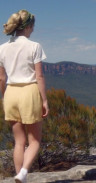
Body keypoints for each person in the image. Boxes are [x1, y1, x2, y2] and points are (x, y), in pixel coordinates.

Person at [0, 10, 49, 183]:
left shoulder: (2, 48)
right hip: (29, 91)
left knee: (18, 142)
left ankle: (19, 176)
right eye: (33, 26)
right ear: (28, 26)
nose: (33, 30)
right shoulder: (34, 46)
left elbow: (1, 78)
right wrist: (44, 100)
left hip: (11, 92)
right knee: (34, 141)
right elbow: (39, 76)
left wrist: (4, 96)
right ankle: (23, 173)